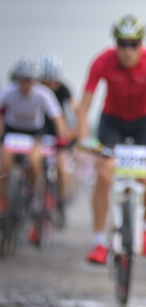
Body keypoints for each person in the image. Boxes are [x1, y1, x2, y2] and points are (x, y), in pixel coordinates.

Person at [77, 15, 146, 264]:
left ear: (141, 43)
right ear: (115, 44)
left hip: (145, 122)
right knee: (104, 172)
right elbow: (84, 106)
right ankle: (98, 243)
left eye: (133, 43)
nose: (127, 50)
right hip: (112, 120)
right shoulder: (102, 62)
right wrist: (83, 138)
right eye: (122, 43)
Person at [0, 58, 69, 243]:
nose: (25, 84)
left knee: (34, 160)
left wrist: (62, 136)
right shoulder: (8, 91)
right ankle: (4, 197)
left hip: (34, 134)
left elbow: (57, 117)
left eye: (29, 80)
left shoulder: (43, 94)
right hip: (13, 131)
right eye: (21, 80)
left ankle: (30, 191)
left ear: (35, 81)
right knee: (4, 160)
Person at [38, 53, 76, 221]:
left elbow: (72, 113)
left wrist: (71, 133)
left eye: (54, 81)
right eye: (46, 81)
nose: (50, 85)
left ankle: (61, 201)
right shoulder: (35, 90)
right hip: (39, 132)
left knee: (61, 166)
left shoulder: (64, 90)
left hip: (58, 133)